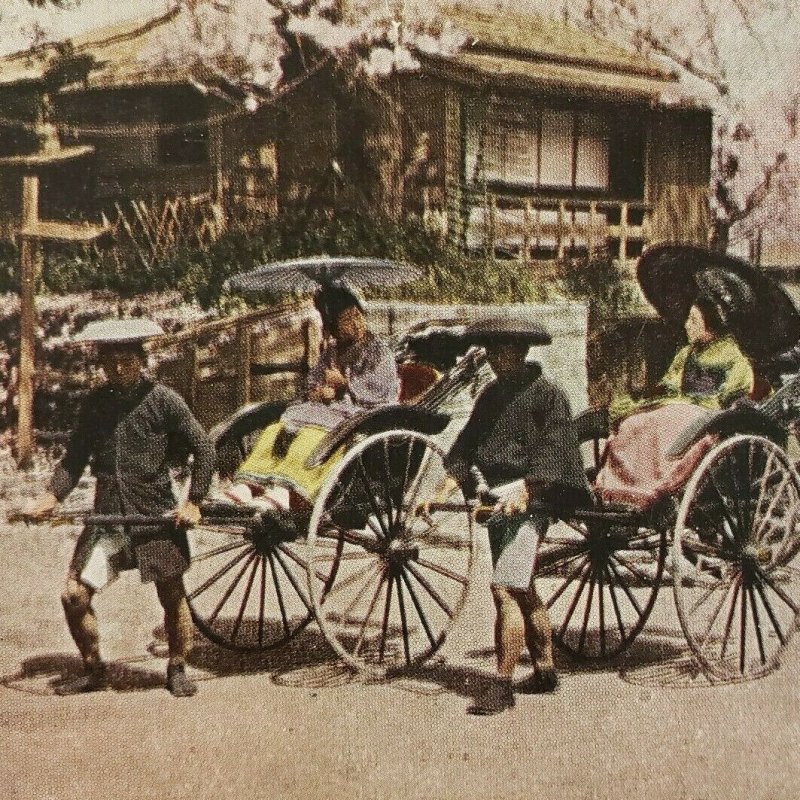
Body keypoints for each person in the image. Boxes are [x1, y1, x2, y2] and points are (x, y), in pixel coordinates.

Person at [23, 319, 215, 697]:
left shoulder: (164, 400)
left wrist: (193, 501)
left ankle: (177, 665)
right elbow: (74, 458)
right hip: (108, 517)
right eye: (111, 363)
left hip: (154, 515)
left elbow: (204, 447)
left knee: (171, 592)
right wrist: (49, 497)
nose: (119, 369)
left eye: (127, 360)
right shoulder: (95, 404)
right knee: (73, 595)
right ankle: (94, 670)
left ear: (141, 361)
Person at [429, 317, 590, 716]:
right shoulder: (491, 396)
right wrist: (443, 488)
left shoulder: (548, 396)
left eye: (504, 351)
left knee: (503, 589)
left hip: (534, 500)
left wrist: (529, 489)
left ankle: (501, 685)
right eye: (491, 353)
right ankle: (545, 669)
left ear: (521, 351)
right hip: (498, 499)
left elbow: (556, 452)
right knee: (523, 587)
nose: (497, 360)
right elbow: (466, 445)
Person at [594, 270, 755, 509]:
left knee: (670, 422)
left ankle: (659, 488)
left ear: (710, 325)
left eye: (693, 320)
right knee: (635, 423)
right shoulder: (686, 354)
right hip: (679, 404)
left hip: (708, 415)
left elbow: (733, 394)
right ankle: (626, 490)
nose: (686, 325)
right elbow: (670, 384)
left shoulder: (734, 356)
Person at [228, 283, 400, 506]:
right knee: (278, 429)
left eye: (357, 316)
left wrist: (345, 384)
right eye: (346, 320)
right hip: (328, 410)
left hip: (363, 414)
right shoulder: (331, 351)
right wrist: (319, 391)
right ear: (334, 327)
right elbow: (312, 381)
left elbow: (380, 389)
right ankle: (250, 484)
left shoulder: (378, 351)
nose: (356, 324)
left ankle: (288, 491)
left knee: (311, 435)